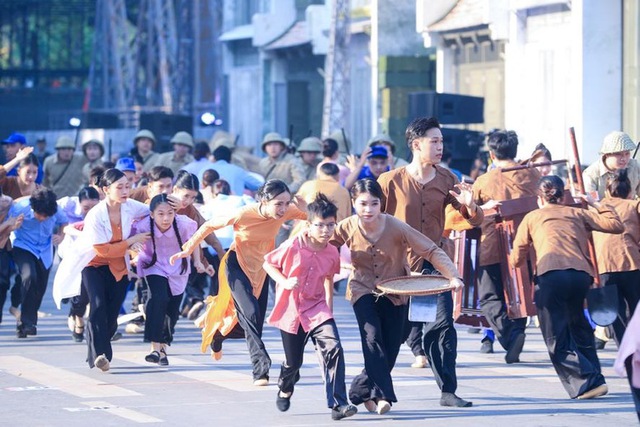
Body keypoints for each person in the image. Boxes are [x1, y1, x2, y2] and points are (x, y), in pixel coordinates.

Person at [330, 179, 464, 415]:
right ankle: (384, 397)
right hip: (363, 290)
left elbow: (430, 249)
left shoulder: (396, 226)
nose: (368, 209)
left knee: (390, 347)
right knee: (372, 339)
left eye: (374, 203)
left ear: (381, 204)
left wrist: (452, 276)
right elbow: (324, 247)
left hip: (396, 292)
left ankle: (359, 391)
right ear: (353, 203)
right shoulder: (346, 226)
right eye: (362, 204)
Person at [377, 116, 483, 408]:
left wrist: (472, 205)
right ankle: (373, 386)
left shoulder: (447, 179)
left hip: (434, 265)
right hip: (397, 269)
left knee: (442, 325)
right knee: (391, 333)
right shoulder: (389, 182)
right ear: (415, 144)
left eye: (441, 141)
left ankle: (448, 390)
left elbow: (474, 218)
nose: (440, 146)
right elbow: (370, 222)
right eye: (434, 141)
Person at [170, 179, 307, 385]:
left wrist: (305, 208)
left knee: (253, 322)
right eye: (278, 203)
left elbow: (313, 218)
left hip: (261, 269)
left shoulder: (286, 211)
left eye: (287, 203)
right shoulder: (244, 213)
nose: (284, 209)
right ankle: (261, 369)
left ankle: (218, 334)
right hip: (236, 265)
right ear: (264, 200)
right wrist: (188, 249)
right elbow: (208, 225)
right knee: (249, 312)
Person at [510, 175, 624, 399]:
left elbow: (516, 258)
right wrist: (596, 203)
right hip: (581, 276)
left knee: (555, 335)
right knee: (578, 326)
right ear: (563, 196)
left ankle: (586, 383)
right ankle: (596, 377)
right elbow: (616, 225)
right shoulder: (577, 213)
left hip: (551, 276)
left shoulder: (532, 217)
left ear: (539, 198)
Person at [263, 194, 357, 420]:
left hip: (317, 309)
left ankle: (339, 404)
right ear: (308, 224)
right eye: (320, 225)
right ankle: (285, 387)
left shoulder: (332, 252)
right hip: (292, 309)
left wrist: (329, 313)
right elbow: (268, 263)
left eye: (330, 225)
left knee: (333, 348)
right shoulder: (293, 245)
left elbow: (328, 280)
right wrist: (284, 282)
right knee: (293, 362)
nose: (326, 230)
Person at [52, 169, 150, 371]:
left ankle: (99, 351)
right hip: (94, 265)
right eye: (119, 187)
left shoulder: (130, 206)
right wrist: (131, 241)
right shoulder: (96, 214)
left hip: (118, 266)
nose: (125, 191)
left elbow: (152, 210)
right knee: (97, 306)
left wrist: (172, 201)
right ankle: (100, 355)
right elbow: (102, 250)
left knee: (112, 313)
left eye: (127, 186)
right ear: (106, 189)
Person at [471, 130, 540, 360]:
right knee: (521, 291)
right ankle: (517, 332)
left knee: (489, 296)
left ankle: (509, 336)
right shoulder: (532, 175)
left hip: (493, 245)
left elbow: (469, 212)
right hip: (528, 244)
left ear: (491, 154)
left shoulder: (484, 181)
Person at [133, 194, 197, 366]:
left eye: (170, 213)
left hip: (178, 269)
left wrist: (198, 261)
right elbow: (131, 238)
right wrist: (133, 252)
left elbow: (194, 241)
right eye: (160, 214)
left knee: (172, 311)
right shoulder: (144, 225)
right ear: (152, 214)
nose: (166, 218)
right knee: (158, 299)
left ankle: (163, 348)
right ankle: (154, 347)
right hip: (154, 266)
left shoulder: (184, 224)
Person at [9, 188, 68, 338]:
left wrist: (61, 236)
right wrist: (14, 226)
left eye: (46, 216)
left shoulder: (56, 210)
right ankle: (27, 322)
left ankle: (26, 323)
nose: (42, 218)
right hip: (23, 246)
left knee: (39, 287)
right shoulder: (20, 208)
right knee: (29, 276)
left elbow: (64, 222)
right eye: (39, 214)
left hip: (45, 250)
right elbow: (7, 225)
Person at [591, 170, 640, 344]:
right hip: (631, 263)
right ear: (629, 191)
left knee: (616, 313)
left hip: (604, 265)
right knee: (636, 309)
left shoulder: (596, 208)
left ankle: (625, 351)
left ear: (607, 191)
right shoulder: (633, 205)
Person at [57, 187, 101, 342]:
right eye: (86, 208)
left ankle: (94, 325)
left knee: (92, 294)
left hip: (96, 259)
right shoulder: (67, 204)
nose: (89, 212)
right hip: (73, 256)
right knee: (80, 295)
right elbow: (67, 227)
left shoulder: (103, 215)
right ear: (79, 203)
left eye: (94, 208)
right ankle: (78, 319)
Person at [583, 131, 640, 199]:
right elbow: (592, 202)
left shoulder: (634, 166)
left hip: (630, 208)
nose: (624, 158)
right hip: (602, 209)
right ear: (607, 154)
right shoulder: (591, 174)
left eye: (627, 153)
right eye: (618, 154)